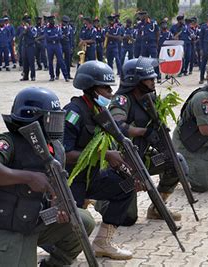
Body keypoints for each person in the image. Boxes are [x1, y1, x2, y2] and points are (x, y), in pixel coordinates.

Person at [0, 87, 95, 266]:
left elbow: (55, 188)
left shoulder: (56, 149)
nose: (56, 124)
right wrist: (28, 177)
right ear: (35, 119)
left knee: (83, 221)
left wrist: (59, 204)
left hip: (32, 219)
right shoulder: (9, 142)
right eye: (51, 119)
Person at [63, 61, 134, 259]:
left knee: (127, 184)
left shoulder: (99, 112)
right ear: (92, 89)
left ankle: (103, 242)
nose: (111, 93)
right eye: (105, 88)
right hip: (71, 181)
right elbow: (64, 154)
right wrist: (104, 156)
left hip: (92, 176)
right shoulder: (73, 113)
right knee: (72, 227)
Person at [108, 57, 182, 225]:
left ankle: (158, 206)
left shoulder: (150, 100)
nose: (153, 82)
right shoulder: (122, 100)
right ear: (136, 81)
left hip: (143, 158)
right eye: (149, 79)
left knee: (176, 162)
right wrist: (144, 132)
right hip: (123, 164)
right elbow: (116, 126)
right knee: (127, 218)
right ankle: (100, 200)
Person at [45, 16, 69, 82]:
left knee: (61, 61)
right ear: (49, 22)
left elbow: (60, 36)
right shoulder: (46, 28)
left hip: (57, 45)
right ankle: (52, 76)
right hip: (50, 46)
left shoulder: (58, 27)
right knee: (50, 61)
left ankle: (66, 76)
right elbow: (47, 37)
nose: (52, 22)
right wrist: (55, 36)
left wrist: (53, 37)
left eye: (53, 20)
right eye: (50, 21)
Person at [20, 16, 37, 81]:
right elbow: (20, 36)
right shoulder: (23, 28)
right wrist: (24, 31)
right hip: (24, 47)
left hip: (31, 47)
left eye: (28, 22)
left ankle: (33, 76)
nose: (27, 23)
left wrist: (29, 29)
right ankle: (25, 76)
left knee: (31, 62)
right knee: (25, 62)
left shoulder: (33, 28)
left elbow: (33, 36)